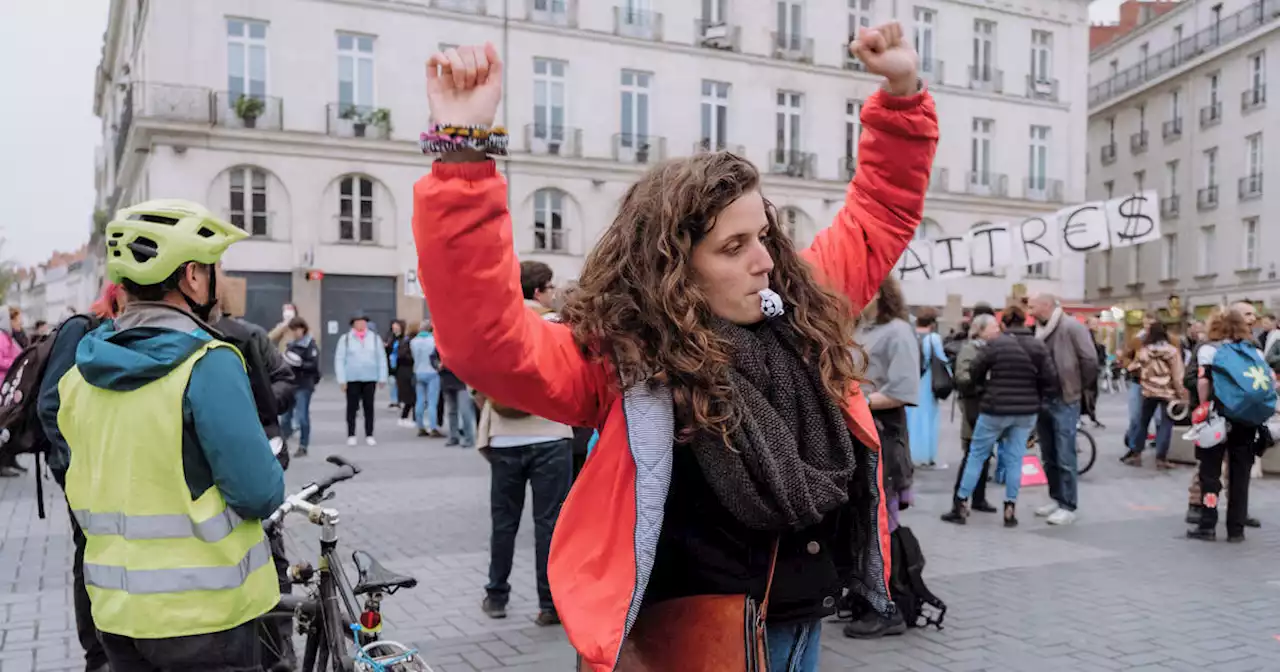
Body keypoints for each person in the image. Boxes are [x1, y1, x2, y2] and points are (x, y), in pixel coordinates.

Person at [415, 28, 935, 671]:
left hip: (800, 631)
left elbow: (877, 213)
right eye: (733, 246)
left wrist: (902, 94)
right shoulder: (625, 357)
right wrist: (463, 154)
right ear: (674, 267)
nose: (765, 261)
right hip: (690, 647)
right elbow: (487, 340)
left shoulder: (798, 311)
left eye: (763, 236)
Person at [49, 200, 283, 669]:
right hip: (205, 617)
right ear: (193, 275)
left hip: (116, 615)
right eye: (216, 267)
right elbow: (259, 493)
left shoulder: (78, 377)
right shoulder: (208, 364)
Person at [477, 261, 575, 625]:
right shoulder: (558, 324)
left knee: (504, 522)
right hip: (550, 434)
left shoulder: (498, 325)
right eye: (549, 287)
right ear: (538, 291)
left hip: (504, 437)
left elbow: (477, 376)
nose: (552, 293)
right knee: (549, 523)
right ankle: (549, 605)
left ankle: (496, 595)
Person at [32, 283, 122, 672]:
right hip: (78, 467)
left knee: (105, 550)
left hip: (102, 465)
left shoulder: (117, 330)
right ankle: (96, 655)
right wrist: (78, 462)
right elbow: (50, 402)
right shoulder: (82, 328)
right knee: (89, 552)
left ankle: (112, 641)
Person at [944, 303, 1058, 528]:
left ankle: (961, 504)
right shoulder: (1037, 346)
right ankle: (1010, 509)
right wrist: (1037, 399)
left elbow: (975, 371)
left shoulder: (996, 345)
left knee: (976, 455)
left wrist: (982, 390)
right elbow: (1051, 378)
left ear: (1004, 323)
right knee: (1015, 459)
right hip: (1025, 412)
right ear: (1026, 321)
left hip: (994, 409)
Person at [848, 275, 918, 638]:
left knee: (882, 523)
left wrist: (853, 402)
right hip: (859, 433)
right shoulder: (857, 328)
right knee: (862, 523)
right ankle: (865, 598)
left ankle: (891, 608)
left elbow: (904, 390)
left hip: (884, 435)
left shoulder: (897, 331)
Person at [1188, 308, 1269, 542]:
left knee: (1210, 474)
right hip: (1245, 419)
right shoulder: (1254, 351)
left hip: (1217, 417)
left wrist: (1204, 407)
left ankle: (1208, 524)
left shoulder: (1209, 350)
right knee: (1240, 475)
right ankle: (1236, 529)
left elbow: (1203, 381)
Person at [1029, 294, 1098, 526]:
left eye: (1033, 306)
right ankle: (1056, 498)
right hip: (1044, 398)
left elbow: (1090, 360)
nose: (1030, 311)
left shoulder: (1071, 327)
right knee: (1048, 454)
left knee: (1065, 453)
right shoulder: (1040, 330)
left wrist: (1077, 386)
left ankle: (1068, 505)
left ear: (1046, 306)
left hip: (1065, 398)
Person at [950, 308, 998, 515]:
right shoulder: (970, 349)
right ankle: (958, 501)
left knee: (985, 455)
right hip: (973, 407)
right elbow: (961, 377)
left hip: (985, 407)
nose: (998, 331)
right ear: (980, 330)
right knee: (971, 455)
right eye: (994, 327)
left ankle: (979, 499)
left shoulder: (991, 348)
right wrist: (983, 380)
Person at [1120, 321, 1184, 469]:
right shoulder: (1173, 352)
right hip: (1168, 392)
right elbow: (1177, 375)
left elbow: (1132, 366)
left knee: (1143, 422)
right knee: (1165, 425)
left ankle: (1136, 453)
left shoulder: (1144, 351)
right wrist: (1180, 393)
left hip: (1148, 391)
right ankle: (1161, 458)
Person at [335, 310, 388, 446]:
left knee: (369, 407)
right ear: (353, 324)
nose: (361, 324)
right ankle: (351, 434)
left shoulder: (375, 338)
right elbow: (339, 359)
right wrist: (342, 379)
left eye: (363, 322)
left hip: (369, 377)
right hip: (352, 378)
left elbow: (381, 358)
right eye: (358, 322)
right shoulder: (345, 339)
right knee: (352, 407)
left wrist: (382, 377)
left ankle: (369, 434)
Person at [907, 307, 947, 468]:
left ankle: (910, 454)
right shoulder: (933, 338)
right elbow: (942, 359)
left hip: (910, 381)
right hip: (927, 382)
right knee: (928, 419)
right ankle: (926, 456)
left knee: (910, 419)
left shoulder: (909, 335)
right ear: (932, 323)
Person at [281, 316, 321, 457]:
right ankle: (281, 445)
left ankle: (303, 446)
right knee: (285, 417)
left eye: (297, 329)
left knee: (302, 416)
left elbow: (314, 365)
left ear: (303, 329)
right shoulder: (291, 345)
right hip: (290, 385)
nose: (295, 332)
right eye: (293, 330)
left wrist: (300, 364)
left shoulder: (310, 345)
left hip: (304, 385)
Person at [0, 307, 27, 478]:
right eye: (17, 320)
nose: (21, 323)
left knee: (11, 424)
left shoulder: (9, 338)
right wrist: (17, 362)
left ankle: (10, 459)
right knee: (4, 425)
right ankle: (2, 462)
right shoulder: (1, 338)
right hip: (3, 388)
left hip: (9, 387)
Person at [410, 322, 443, 437]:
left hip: (418, 371)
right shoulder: (434, 341)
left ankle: (420, 426)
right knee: (432, 401)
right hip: (432, 372)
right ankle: (433, 426)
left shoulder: (413, 341)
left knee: (419, 400)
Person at [391, 321, 418, 428]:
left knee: (411, 398)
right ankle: (408, 418)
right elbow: (404, 356)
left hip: (402, 371)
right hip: (408, 371)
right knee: (413, 397)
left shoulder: (404, 340)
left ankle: (406, 417)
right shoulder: (411, 341)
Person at [385, 320, 406, 409]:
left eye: (397, 327)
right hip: (391, 363)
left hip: (400, 363)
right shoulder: (390, 337)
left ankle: (400, 399)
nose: (395, 329)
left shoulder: (404, 338)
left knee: (400, 382)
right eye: (393, 327)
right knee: (392, 382)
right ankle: (394, 400)